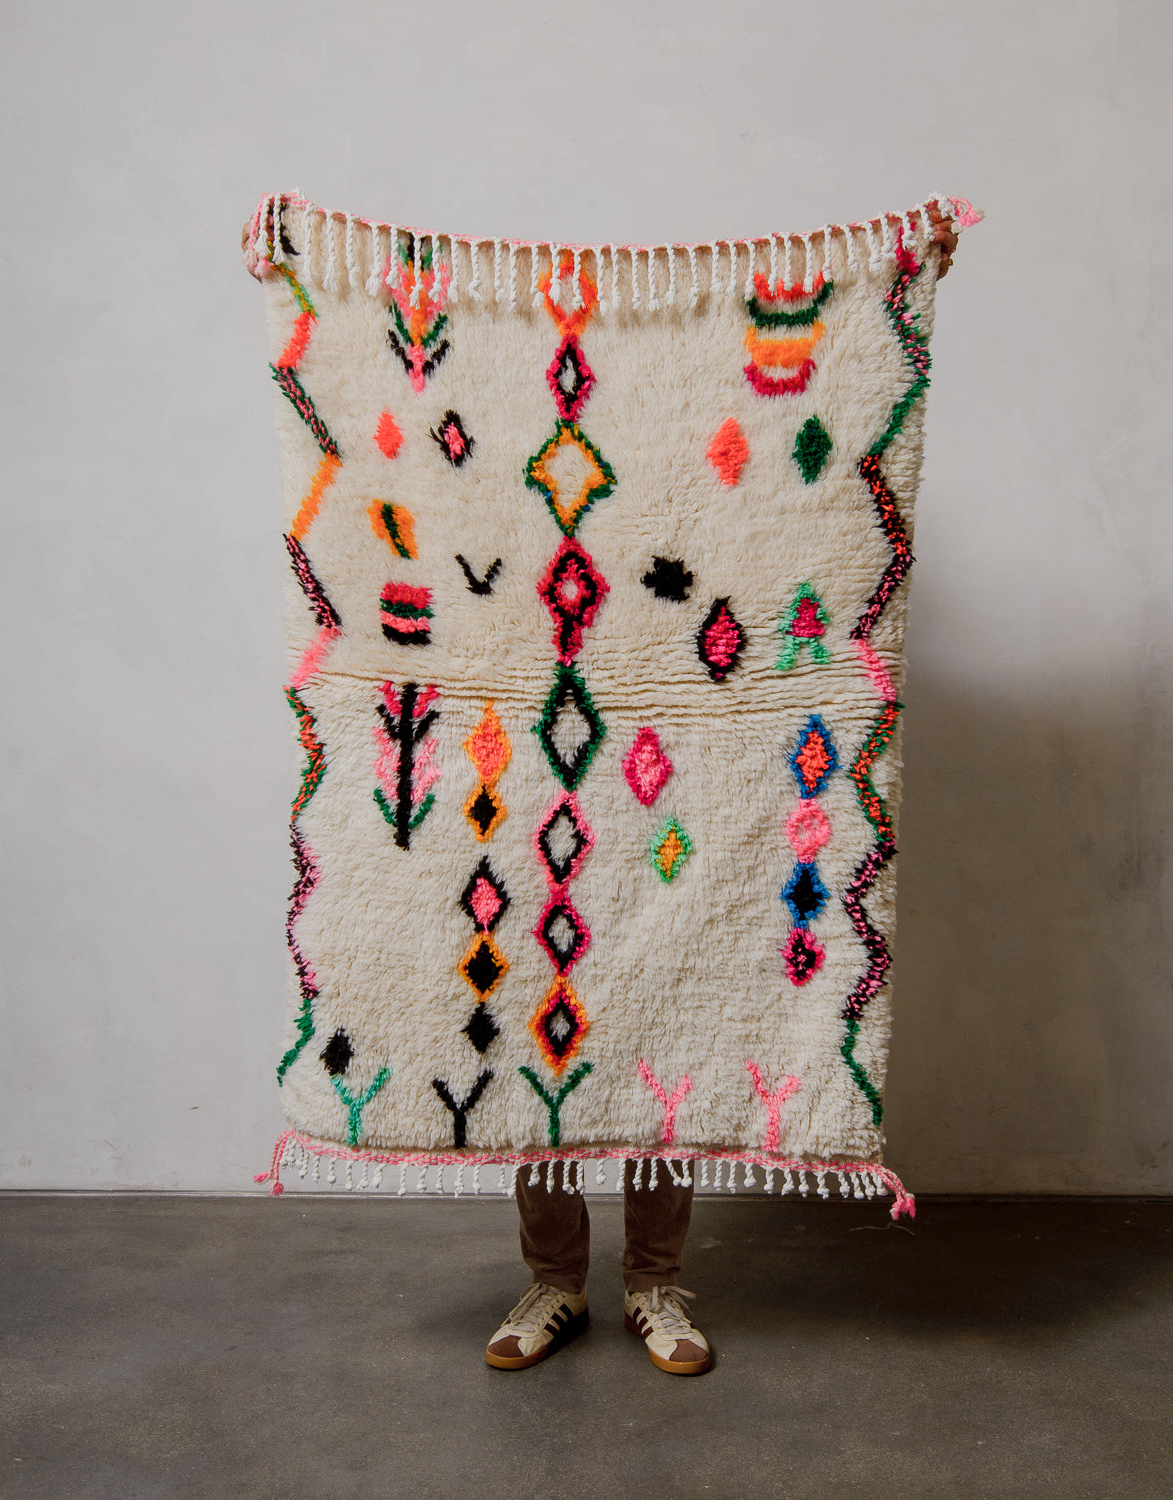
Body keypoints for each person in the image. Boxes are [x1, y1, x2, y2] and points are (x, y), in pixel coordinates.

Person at [243, 202, 960, 1376]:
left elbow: (719, 516)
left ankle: (659, 1287)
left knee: (665, 999)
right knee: (529, 1012)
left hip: (662, 731)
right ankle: (552, 1284)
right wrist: (290, 258)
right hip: (524, 734)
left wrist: (908, 261)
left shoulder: (664, 439)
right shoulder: (512, 416)